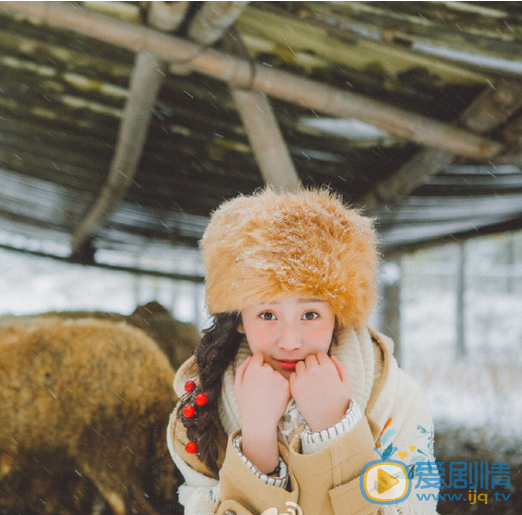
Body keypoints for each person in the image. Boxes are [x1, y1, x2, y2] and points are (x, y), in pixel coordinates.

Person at [167, 188, 437, 515]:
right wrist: (256, 441)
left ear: (338, 313)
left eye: (310, 315)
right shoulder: (199, 416)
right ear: (239, 318)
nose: (290, 341)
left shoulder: (396, 401)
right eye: (267, 315)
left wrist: (333, 429)